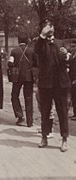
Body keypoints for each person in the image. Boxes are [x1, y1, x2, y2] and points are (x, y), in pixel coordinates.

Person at [35, 17, 71, 152]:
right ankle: (44, 137)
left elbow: (67, 58)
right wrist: (42, 35)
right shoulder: (40, 43)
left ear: (54, 28)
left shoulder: (61, 42)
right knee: (45, 112)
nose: (49, 29)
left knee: (62, 112)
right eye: (46, 26)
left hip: (60, 84)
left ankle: (64, 139)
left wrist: (66, 55)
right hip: (46, 84)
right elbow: (37, 50)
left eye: (50, 26)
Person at [8, 33, 37, 127]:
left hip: (17, 77)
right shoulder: (32, 51)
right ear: (27, 40)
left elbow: (10, 63)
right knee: (28, 98)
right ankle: (30, 121)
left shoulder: (14, 51)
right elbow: (36, 64)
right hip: (29, 77)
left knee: (14, 95)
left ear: (18, 41)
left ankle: (20, 116)